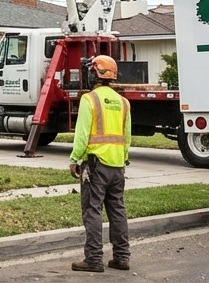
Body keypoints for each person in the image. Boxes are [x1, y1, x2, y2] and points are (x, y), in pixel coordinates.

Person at [69, 54, 132, 273]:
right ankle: (122, 257)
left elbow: (82, 134)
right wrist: (122, 160)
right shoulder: (124, 102)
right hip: (117, 166)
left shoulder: (90, 99)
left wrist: (75, 159)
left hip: (95, 166)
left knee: (92, 211)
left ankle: (94, 259)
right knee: (117, 210)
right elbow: (127, 137)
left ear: (93, 74)